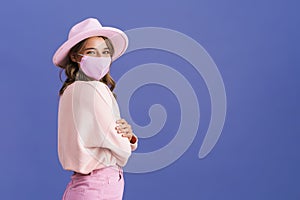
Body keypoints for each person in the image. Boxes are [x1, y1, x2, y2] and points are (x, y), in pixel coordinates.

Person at [52, 18, 138, 200]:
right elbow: (120, 148)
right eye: (92, 52)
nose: (101, 58)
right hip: (99, 186)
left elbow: (98, 133)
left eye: (105, 52)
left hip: (83, 187)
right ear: (75, 57)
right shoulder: (94, 89)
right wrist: (126, 142)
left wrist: (127, 136)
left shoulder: (70, 91)